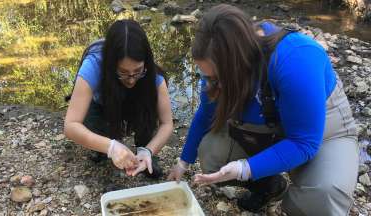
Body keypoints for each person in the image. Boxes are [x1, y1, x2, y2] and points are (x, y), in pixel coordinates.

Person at [168, 4, 359, 215]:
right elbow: (205, 114)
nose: (212, 85)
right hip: (267, 130)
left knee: (323, 194)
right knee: (212, 155)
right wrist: (182, 163)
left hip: (322, 133)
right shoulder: (215, 68)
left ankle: (299, 200)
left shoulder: (296, 58)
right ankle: (269, 186)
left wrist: (245, 168)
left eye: (217, 78)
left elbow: (305, 141)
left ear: (239, 62)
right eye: (207, 77)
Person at [64, 20, 173, 178]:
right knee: (97, 127)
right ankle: (101, 149)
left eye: (137, 71)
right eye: (122, 72)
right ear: (110, 64)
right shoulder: (93, 65)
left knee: (147, 112)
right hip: (102, 104)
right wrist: (110, 146)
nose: (130, 80)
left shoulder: (154, 77)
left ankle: (145, 153)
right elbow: (71, 125)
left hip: (135, 103)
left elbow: (167, 123)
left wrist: (149, 150)